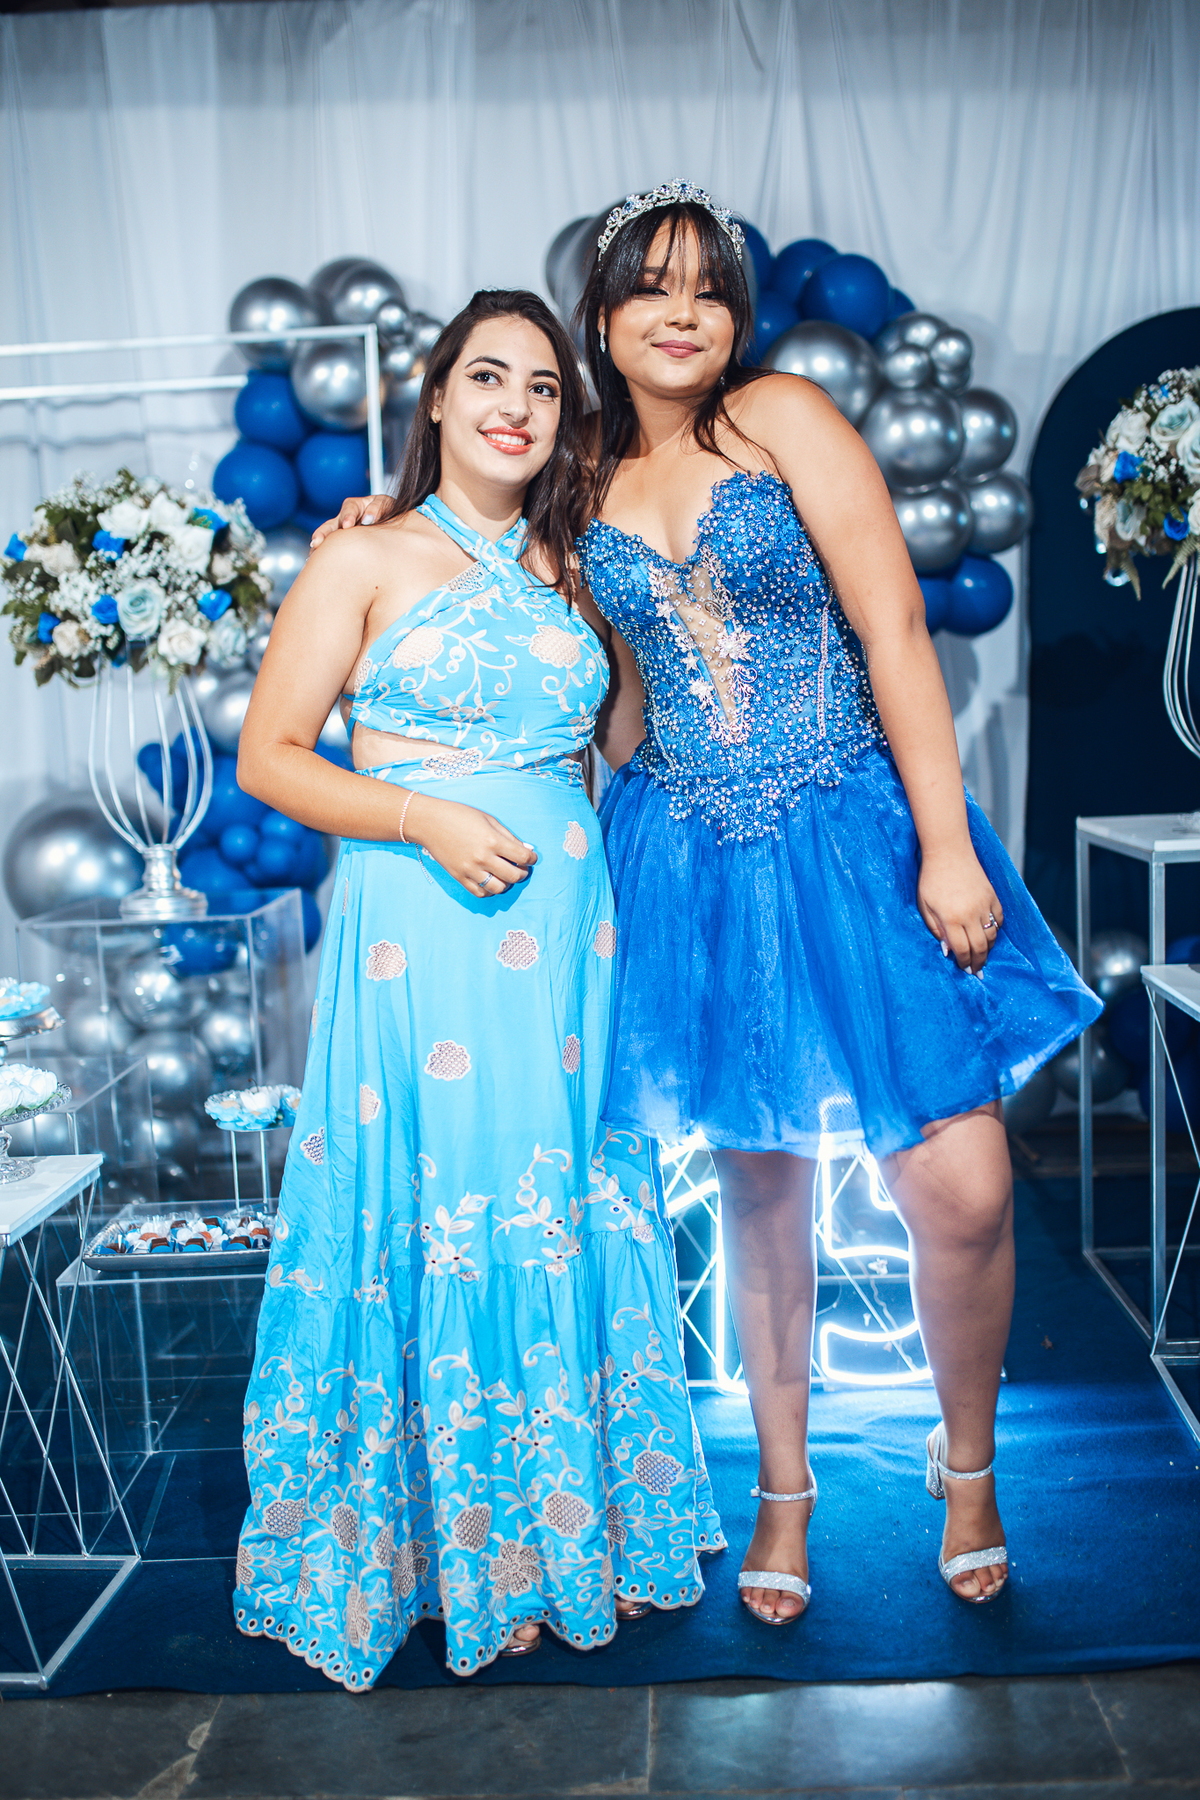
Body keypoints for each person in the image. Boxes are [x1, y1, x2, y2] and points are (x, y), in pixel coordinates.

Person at [316, 189, 1101, 1624]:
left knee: (966, 1184)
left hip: (851, 830)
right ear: (603, 316)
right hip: (683, 847)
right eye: (649, 288)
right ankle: (783, 1491)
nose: (681, 314)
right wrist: (375, 513)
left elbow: (894, 628)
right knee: (759, 1185)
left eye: (709, 290)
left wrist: (947, 845)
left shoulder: (784, 419)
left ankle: (970, 1463)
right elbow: (523, 613)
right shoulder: (575, 476)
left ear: (737, 317)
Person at [233, 288, 721, 1690]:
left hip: (565, 943)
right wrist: (423, 818)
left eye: (545, 387)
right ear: (438, 396)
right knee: (441, 1206)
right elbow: (271, 757)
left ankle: (565, 1532)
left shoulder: (576, 567)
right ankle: (442, 1551)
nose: (516, 405)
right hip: (422, 934)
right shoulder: (363, 557)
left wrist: (669, 613)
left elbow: (619, 742)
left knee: (558, 1193)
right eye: (489, 377)